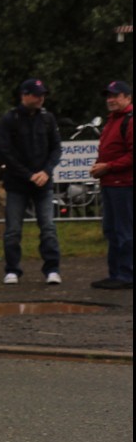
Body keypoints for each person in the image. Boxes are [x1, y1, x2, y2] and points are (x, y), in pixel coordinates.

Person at [0, 78, 62, 286]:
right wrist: (28, 175)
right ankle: (12, 269)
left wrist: (46, 171)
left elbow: (56, 148)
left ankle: (52, 269)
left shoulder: (48, 119)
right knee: (13, 230)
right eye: (36, 94)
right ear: (24, 95)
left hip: (43, 183)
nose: (41, 98)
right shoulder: (9, 119)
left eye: (42, 94)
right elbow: (5, 152)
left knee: (48, 227)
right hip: (17, 184)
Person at [89, 80, 133, 290]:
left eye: (115, 95)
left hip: (124, 184)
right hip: (111, 183)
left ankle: (126, 274)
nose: (111, 100)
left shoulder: (130, 120)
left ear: (127, 98)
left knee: (124, 230)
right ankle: (116, 273)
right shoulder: (112, 120)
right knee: (112, 230)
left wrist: (108, 166)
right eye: (109, 96)